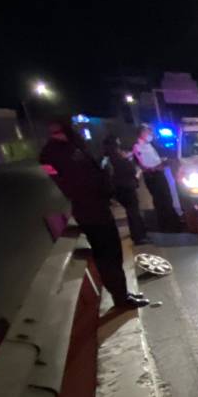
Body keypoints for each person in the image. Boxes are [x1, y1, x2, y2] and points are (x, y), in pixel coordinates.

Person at [39, 120, 147, 309]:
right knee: (107, 255)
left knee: (113, 253)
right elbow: (72, 183)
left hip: (96, 206)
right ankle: (121, 298)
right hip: (90, 210)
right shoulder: (55, 153)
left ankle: (121, 293)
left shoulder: (72, 147)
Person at [101, 135, 149, 245]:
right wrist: (129, 163)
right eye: (118, 143)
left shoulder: (106, 159)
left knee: (132, 212)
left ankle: (139, 235)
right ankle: (139, 237)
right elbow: (130, 170)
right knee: (134, 212)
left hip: (118, 189)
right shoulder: (117, 158)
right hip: (126, 188)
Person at [132, 124, 180, 231]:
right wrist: (158, 165)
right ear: (141, 133)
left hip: (159, 174)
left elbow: (155, 159)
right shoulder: (137, 147)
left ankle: (173, 223)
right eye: (148, 132)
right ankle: (166, 225)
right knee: (161, 200)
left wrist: (163, 162)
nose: (150, 134)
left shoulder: (150, 145)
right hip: (153, 176)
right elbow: (145, 164)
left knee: (167, 198)